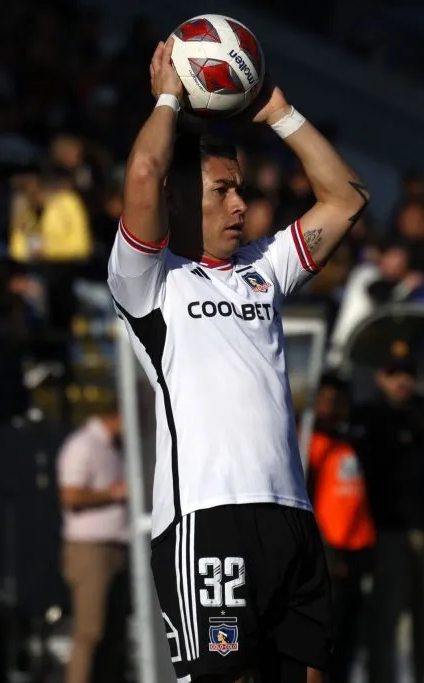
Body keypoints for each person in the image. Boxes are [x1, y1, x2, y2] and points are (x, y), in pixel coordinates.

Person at [107, 38, 369, 683]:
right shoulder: (149, 281)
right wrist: (168, 95)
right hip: (210, 523)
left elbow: (346, 199)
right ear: (176, 199)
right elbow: (143, 172)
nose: (240, 206)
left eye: (241, 190)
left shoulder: (263, 270)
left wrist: (279, 112)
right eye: (222, 190)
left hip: (293, 520)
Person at [352, 357, 424, 683]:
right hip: (387, 529)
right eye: (393, 373)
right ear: (380, 376)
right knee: (388, 617)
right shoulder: (368, 417)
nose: (401, 381)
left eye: (407, 373)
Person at [306, 375, 375, 683]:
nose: (332, 407)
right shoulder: (308, 444)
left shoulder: (348, 442)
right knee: (323, 648)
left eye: (338, 400)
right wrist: (324, 552)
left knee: (348, 646)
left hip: (354, 556)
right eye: (326, 399)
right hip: (326, 559)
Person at [56, 407, 128, 683]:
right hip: (91, 551)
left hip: (118, 548)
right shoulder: (82, 445)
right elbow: (70, 496)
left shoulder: (116, 448)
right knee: (90, 631)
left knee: (114, 633)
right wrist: (115, 493)